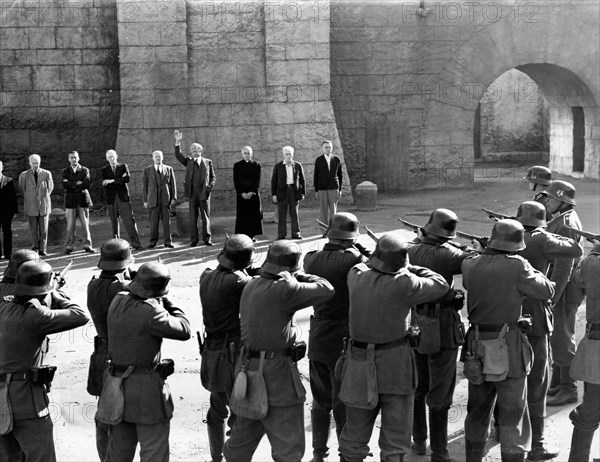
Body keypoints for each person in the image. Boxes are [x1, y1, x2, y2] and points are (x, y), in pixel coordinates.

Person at [338, 233, 449, 462]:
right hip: (395, 364)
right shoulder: (405, 283)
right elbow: (441, 284)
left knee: (354, 434)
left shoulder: (355, 275)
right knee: (396, 438)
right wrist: (410, 267)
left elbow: (364, 263)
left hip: (358, 362)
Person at [223, 241, 334, 462]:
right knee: (288, 447)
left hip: (247, 368)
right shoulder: (285, 289)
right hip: (278, 374)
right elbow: (326, 288)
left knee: (241, 440)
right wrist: (297, 276)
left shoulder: (251, 284)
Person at [461, 219, 555, 462]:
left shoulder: (470, 264)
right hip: (509, 345)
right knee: (513, 413)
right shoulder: (518, 266)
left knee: (477, 411)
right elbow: (547, 290)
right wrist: (526, 265)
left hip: (477, 343)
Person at [0, 260, 89, 462]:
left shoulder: (3, 308)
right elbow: (80, 315)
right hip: (25, 399)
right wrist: (55, 294)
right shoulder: (36, 315)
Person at [514, 201, 582, 461]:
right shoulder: (543, 239)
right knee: (536, 382)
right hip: (536, 315)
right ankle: (537, 445)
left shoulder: (505, 234)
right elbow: (575, 250)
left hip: (507, 315)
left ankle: (504, 431)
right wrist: (548, 233)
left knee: (506, 380)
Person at [103, 262, 191, 461]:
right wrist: (166, 300)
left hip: (116, 384)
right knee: (154, 449)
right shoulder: (151, 312)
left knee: (119, 450)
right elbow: (184, 329)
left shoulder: (118, 299)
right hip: (145, 391)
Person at [407, 209, 476, 462]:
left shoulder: (411, 250)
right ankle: (439, 451)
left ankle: (418, 442)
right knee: (441, 393)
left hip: (416, 321)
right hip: (444, 324)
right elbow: (472, 258)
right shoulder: (451, 254)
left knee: (418, 386)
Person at [303, 212, 371, 462]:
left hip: (319, 336)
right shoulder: (355, 259)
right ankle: (346, 454)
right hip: (346, 339)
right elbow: (380, 262)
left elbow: (319, 251)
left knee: (320, 401)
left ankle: (319, 453)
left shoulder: (311, 259)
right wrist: (361, 245)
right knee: (345, 401)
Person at [199, 234, 258, 462]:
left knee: (216, 406)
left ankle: (216, 457)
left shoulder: (206, 276)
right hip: (232, 352)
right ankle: (234, 456)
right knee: (238, 410)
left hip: (212, 349)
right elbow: (252, 283)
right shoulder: (240, 282)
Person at [87, 239, 134, 461]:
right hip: (120, 356)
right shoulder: (124, 288)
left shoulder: (92, 285)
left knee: (103, 414)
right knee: (120, 417)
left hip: (100, 351)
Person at [541, 180, 585, 406]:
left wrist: (552, 297)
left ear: (562, 199)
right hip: (564, 285)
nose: (546, 200)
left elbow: (563, 268)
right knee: (557, 335)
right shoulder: (561, 219)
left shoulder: (565, 223)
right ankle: (558, 383)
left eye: (550, 197)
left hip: (565, 286)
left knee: (562, 336)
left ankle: (569, 389)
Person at [568, 238, 600, 462]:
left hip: (597, 347)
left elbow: (577, 278)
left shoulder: (591, 263)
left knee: (589, 410)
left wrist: (596, 248)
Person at [174, 130, 216, 246]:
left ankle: (207, 239)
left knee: (205, 217)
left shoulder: (208, 162)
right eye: (192, 150)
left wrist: (209, 187)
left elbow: (213, 177)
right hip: (192, 193)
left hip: (204, 193)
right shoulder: (189, 162)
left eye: (196, 149)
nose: (194, 151)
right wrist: (177, 142)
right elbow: (178, 155)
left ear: (201, 150)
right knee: (193, 218)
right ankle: (194, 240)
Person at [102, 149, 143, 251]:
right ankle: (116, 246)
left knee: (129, 220)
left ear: (116, 156)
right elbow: (104, 184)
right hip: (111, 198)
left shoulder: (123, 166)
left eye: (113, 156)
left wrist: (112, 180)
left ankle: (136, 244)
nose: (112, 158)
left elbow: (127, 178)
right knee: (114, 223)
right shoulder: (104, 169)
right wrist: (119, 180)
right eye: (109, 157)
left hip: (123, 197)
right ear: (107, 159)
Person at [18, 154, 54, 256]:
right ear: (30, 163)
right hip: (31, 206)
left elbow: (50, 188)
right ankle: (35, 248)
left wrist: (43, 197)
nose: (35, 165)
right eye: (33, 163)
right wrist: (31, 197)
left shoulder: (46, 173)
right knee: (33, 230)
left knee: (44, 230)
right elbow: (22, 189)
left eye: (37, 163)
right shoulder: (24, 175)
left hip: (44, 206)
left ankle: (43, 249)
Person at [62, 151, 95, 254]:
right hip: (70, 201)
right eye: (71, 158)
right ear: (68, 159)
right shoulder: (65, 171)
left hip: (82, 200)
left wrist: (71, 184)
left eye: (75, 157)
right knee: (70, 225)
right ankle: (70, 246)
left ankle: (87, 245)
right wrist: (77, 184)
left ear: (78, 158)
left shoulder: (85, 170)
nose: (74, 160)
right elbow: (64, 185)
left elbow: (86, 184)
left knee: (85, 224)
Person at [142, 150, 177, 249]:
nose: (158, 158)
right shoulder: (147, 170)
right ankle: (153, 241)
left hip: (166, 200)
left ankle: (168, 242)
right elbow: (144, 187)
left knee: (167, 222)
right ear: (153, 158)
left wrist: (174, 198)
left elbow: (173, 185)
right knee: (153, 222)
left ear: (162, 157)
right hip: (153, 200)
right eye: (156, 156)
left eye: (160, 156)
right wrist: (145, 200)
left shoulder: (169, 169)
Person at [271, 146, 305, 240]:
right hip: (282, 191)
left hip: (294, 191)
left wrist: (303, 193)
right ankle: (281, 235)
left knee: (294, 213)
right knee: (282, 214)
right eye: (287, 154)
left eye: (290, 154)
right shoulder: (278, 166)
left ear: (293, 154)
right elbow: (274, 181)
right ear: (283, 155)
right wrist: (274, 194)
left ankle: (296, 233)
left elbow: (302, 180)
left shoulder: (297, 165)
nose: (289, 156)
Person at [233, 146, 263, 240]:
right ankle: (242, 237)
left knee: (253, 215)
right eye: (245, 153)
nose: (247, 155)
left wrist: (252, 192)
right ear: (242, 154)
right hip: (242, 195)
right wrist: (241, 193)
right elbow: (236, 180)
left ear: (252, 154)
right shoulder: (237, 165)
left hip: (253, 194)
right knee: (243, 216)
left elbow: (257, 180)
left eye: (248, 153)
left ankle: (251, 236)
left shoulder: (256, 165)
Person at [314, 140, 343, 227]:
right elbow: (316, 175)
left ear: (332, 148)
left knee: (333, 210)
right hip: (322, 188)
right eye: (326, 147)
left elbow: (340, 175)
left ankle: (333, 229)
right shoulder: (319, 160)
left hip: (333, 188)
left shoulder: (337, 159)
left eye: (330, 147)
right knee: (323, 210)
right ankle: (324, 230)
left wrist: (340, 189)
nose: (328, 149)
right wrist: (316, 190)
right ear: (322, 149)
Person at [0, 160, 18, 259]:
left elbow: (13, 197)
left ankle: (8, 253)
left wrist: (14, 211)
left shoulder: (8, 180)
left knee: (7, 232)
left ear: (2, 168)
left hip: (6, 212)